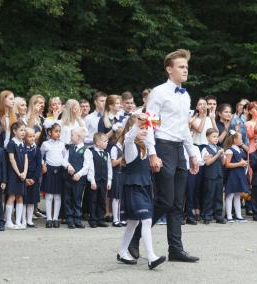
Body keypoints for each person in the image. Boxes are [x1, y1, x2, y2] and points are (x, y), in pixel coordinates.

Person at [128, 49, 200, 263]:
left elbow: (185, 128)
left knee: (178, 203)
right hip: (163, 146)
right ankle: (133, 239)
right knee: (165, 200)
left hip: (179, 149)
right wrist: (152, 153)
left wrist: (192, 153)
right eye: (181, 66)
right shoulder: (158, 92)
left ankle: (176, 249)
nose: (185, 69)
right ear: (169, 69)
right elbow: (149, 124)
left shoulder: (185, 95)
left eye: (186, 66)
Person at [117, 114, 166, 269]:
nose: (145, 130)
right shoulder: (131, 146)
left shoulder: (147, 147)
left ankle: (122, 251)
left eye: (146, 128)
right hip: (133, 187)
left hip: (144, 187)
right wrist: (136, 124)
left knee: (133, 222)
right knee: (146, 220)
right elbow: (128, 138)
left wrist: (157, 163)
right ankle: (151, 256)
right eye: (141, 128)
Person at [84, 132, 112, 228]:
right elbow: (90, 167)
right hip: (94, 181)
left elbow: (109, 168)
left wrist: (109, 181)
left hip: (103, 181)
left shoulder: (106, 154)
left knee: (102, 200)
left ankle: (100, 218)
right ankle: (93, 219)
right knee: (93, 200)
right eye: (105, 141)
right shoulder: (90, 152)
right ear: (97, 142)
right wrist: (92, 180)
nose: (107, 143)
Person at [41, 123, 65, 228]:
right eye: (56, 131)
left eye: (59, 131)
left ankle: (56, 218)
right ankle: (49, 218)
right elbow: (40, 156)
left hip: (59, 170)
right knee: (49, 195)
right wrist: (43, 165)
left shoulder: (62, 144)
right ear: (50, 132)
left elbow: (64, 157)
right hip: (49, 170)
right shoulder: (45, 144)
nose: (58, 133)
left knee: (57, 195)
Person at [63, 127, 88, 229]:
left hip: (79, 180)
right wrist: (68, 166)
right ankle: (69, 219)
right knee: (68, 198)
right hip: (68, 178)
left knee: (77, 199)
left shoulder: (86, 150)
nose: (70, 137)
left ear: (78, 137)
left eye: (72, 135)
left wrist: (79, 174)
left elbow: (87, 165)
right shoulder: (70, 148)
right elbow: (64, 160)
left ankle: (77, 219)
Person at [5, 122, 28, 230]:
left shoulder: (23, 143)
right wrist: (19, 173)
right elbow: (11, 159)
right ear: (14, 131)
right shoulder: (11, 143)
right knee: (12, 196)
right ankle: (8, 221)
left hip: (22, 174)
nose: (24, 132)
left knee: (20, 196)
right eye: (21, 130)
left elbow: (26, 159)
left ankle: (18, 221)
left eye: (24, 130)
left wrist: (24, 172)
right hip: (13, 174)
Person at [201, 128, 226, 224]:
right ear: (208, 138)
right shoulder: (205, 149)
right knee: (209, 195)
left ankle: (218, 215)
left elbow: (223, 163)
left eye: (217, 136)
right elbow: (207, 163)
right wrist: (217, 155)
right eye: (213, 137)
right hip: (210, 175)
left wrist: (222, 155)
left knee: (218, 196)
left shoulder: (220, 149)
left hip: (219, 175)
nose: (216, 139)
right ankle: (207, 216)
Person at [224, 131, 248, 223]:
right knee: (230, 195)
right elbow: (227, 164)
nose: (242, 140)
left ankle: (238, 215)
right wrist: (240, 163)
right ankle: (229, 215)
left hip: (240, 174)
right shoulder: (229, 150)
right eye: (240, 138)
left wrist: (243, 163)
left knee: (238, 195)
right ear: (235, 140)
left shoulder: (240, 149)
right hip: (232, 175)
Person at [24, 128, 42, 228]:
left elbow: (39, 165)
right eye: (29, 136)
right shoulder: (22, 148)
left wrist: (34, 179)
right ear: (24, 137)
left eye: (33, 136)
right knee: (23, 200)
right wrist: (25, 178)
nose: (32, 138)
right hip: (24, 178)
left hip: (33, 178)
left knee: (31, 201)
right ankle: (22, 219)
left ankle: (29, 220)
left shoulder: (37, 149)